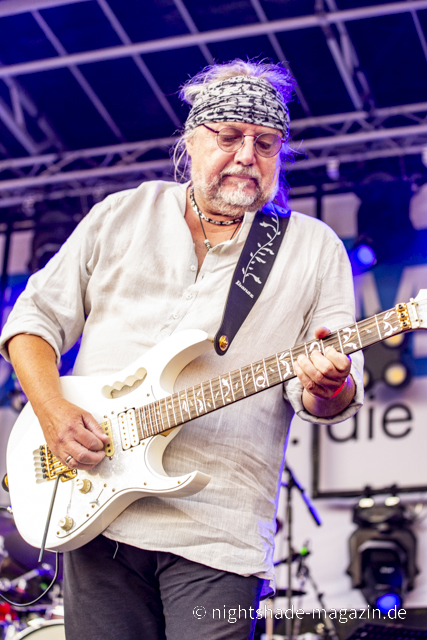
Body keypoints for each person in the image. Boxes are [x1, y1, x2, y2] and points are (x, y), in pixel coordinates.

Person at [0, 59, 363, 640]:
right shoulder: (123, 213)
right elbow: (32, 322)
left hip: (220, 528)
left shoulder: (314, 249)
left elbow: (327, 399)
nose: (247, 156)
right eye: (229, 137)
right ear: (190, 141)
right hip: (94, 510)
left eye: (266, 143)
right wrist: (53, 411)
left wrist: (330, 382)